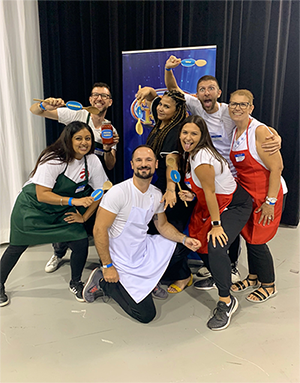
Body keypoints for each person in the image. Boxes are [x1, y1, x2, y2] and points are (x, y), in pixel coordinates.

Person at [164, 55, 282, 282]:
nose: (206, 93)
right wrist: (169, 69)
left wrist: (276, 137)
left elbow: (256, 126)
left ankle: (234, 267)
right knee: (220, 221)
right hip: (210, 174)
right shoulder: (195, 104)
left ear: (218, 93)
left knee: (236, 226)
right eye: (201, 89)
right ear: (197, 94)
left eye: (211, 89)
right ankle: (223, 265)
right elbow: (173, 90)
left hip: (234, 177)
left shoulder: (231, 111)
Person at [82, 145, 201, 323]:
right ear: (132, 165)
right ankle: (103, 282)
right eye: (139, 160)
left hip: (141, 250)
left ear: (156, 164)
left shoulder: (156, 193)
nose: (143, 164)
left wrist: (184, 239)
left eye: (148, 160)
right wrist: (107, 266)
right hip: (119, 259)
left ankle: (150, 282)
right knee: (146, 315)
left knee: (180, 247)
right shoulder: (118, 193)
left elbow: (162, 225)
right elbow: (99, 229)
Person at [0, 121, 108, 307]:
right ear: (68, 139)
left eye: (88, 138)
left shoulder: (92, 161)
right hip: (32, 208)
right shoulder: (53, 159)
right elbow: (42, 195)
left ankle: (75, 282)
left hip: (60, 208)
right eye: (79, 138)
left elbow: (101, 190)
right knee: (17, 246)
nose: (84, 143)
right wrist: (74, 202)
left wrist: (84, 217)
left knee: (80, 240)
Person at [30, 82, 119, 273]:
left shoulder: (110, 129)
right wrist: (47, 104)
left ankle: (103, 259)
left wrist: (108, 148)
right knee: (65, 216)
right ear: (90, 99)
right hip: (70, 178)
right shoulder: (77, 114)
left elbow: (111, 164)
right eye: (96, 95)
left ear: (110, 102)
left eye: (104, 96)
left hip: (92, 179)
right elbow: (35, 111)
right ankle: (59, 253)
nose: (99, 99)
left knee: (93, 220)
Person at [177, 115, 252, 330]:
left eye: (194, 134)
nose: (188, 137)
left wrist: (216, 225)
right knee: (197, 238)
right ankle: (220, 276)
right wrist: (192, 196)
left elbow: (210, 192)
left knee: (215, 244)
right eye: (185, 132)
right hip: (217, 202)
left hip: (234, 205)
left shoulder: (201, 158)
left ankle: (226, 301)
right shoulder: (191, 153)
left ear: (202, 136)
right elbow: (205, 189)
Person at [135, 88, 196, 293]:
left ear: (178, 110)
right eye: (160, 104)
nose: (160, 108)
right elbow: (154, 98)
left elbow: (172, 161)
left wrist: (170, 189)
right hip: (159, 186)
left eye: (166, 106)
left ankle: (184, 275)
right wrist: (150, 92)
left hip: (177, 190)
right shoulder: (161, 123)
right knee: (154, 230)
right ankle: (164, 272)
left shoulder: (175, 131)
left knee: (170, 234)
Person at [228, 90, 283, 302]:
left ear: (251, 107)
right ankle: (253, 277)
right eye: (234, 104)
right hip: (248, 196)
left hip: (266, 194)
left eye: (243, 104)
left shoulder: (259, 131)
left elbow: (277, 167)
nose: (237, 108)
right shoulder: (235, 130)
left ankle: (269, 284)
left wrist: (270, 202)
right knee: (249, 237)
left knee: (258, 241)